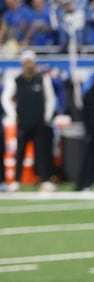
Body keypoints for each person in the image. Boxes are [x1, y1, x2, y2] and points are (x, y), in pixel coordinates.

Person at [1, 50, 56, 193]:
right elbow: (5, 98)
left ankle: (44, 180)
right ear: (22, 64)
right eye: (26, 63)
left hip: (39, 121)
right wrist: (14, 115)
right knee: (20, 152)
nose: (29, 66)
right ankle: (16, 181)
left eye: (31, 62)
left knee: (42, 152)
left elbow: (50, 98)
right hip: (24, 121)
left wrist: (48, 115)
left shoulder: (42, 79)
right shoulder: (16, 80)